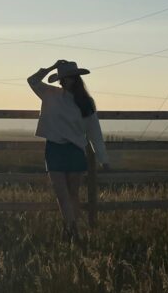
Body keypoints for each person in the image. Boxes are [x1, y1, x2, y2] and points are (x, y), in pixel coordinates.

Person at [27, 60, 110, 244]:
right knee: (63, 194)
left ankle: (71, 230)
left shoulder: (84, 102)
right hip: (56, 150)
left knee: (72, 194)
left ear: (76, 79)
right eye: (64, 79)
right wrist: (51, 67)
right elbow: (32, 80)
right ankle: (72, 230)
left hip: (74, 150)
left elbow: (94, 131)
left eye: (69, 78)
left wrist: (103, 158)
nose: (66, 81)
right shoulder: (51, 94)